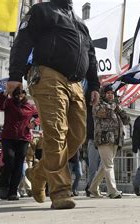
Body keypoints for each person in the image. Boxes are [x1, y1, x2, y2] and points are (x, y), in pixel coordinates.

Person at [8, 0, 100, 209]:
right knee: (56, 131)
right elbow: (23, 40)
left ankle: (38, 172)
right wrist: (15, 74)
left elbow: (91, 56)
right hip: (48, 74)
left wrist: (94, 85)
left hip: (76, 82)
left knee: (78, 136)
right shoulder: (42, 10)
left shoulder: (80, 24)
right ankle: (60, 191)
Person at [0, 88, 39, 200]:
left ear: (25, 95)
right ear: (14, 95)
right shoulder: (9, 102)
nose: (20, 95)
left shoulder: (29, 106)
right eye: (18, 94)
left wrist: (34, 123)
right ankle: (4, 186)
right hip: (8, 137)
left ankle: (13, 191)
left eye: (22, 93)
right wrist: (4, 94)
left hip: (23, 138)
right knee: (9, 160)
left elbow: (39, 115)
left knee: (19, 165)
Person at [89, 86, 130, 198]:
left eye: (112, 93)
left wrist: (119, 108)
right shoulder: (98, 104)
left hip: (116, 139)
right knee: (109, 165)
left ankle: (93, 188)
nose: (110, 95)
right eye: (108, 93)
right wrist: (114, 105)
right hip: (104, 138)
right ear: (103, 94)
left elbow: (127, 120)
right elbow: (102, 113)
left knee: (105, 166)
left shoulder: (116, 106)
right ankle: (112, 191)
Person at [84, 87, 101, 197]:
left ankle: (93, 186)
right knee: (93, 166)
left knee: (103, 166)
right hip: (92, 140)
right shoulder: (86, 111)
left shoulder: (101, 109)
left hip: (103, 140)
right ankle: (91, 187)